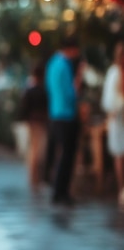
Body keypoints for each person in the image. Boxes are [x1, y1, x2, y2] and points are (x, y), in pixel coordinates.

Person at [44, 36, 82, 206]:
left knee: (61, 154)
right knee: (67, 155)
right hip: (66, 114)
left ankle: (58, 189)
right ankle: (61, 191)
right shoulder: (65, 65)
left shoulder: (52, 63)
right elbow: (70, 93)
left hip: (55, 113)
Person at [18, 62, 49, 190]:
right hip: (38, 122)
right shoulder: (41, 90)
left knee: (33, 149)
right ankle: (34, 177)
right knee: (37, 150)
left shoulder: (29, 89)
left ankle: (33, 176)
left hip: (32, 122)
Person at [101, 40, 124, 206]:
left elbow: (108, 101)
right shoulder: (115, 73)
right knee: (119, 154)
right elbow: (109, 101)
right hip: (118, 119)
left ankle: (122, 189)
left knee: (119, 155)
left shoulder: (114, 72)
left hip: (118, 119)